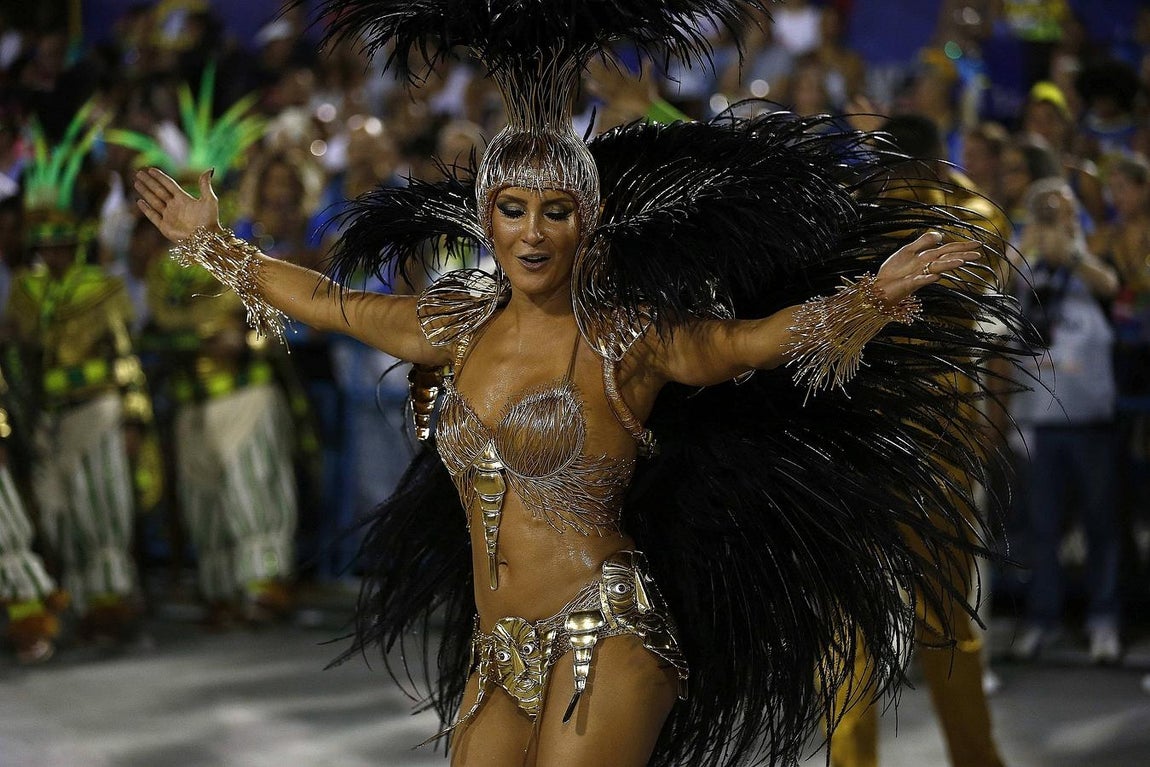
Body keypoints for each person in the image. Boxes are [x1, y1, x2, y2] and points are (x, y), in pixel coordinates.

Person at [133, 2, 1025, 765]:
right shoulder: (451, 324)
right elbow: (326, 300)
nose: (531, 233)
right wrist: (211, 243)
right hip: (496, 649)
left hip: (608, 632)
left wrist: (868, 296)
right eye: (512, 211)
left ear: (585, 226)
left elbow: (744, 343)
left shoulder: (624, 340)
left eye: (555, 213)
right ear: (486, 217)